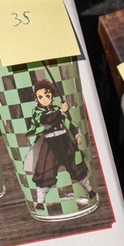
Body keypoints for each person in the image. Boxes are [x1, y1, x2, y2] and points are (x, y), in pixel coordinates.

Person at [26, 80, 92, 210]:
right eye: (40, 97)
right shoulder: (37, 112)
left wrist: (76, 135)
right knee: (45, 171)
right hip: (50, 144)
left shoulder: (57, 108)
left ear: (52, 96)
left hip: (64, 141)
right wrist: (62, 111)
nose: (44, 99)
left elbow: (68, 122)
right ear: (36, 98)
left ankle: (89, 190)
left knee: (76, 166)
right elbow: (47, 120)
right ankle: (40, 202)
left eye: (47, 96)